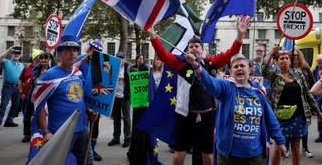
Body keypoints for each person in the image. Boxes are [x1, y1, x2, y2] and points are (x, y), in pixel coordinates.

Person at [149, 16, 250, 165]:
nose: (194, 48)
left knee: (208, 157)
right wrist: (152, 35)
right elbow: (163, 55)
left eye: (197, 46)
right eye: (191, 47)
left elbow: (230, 54)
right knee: (178, 156)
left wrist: (240, 36)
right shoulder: (181, 63)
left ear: (203, 50)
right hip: (185, 116)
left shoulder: (211, 63)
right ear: (187, 50)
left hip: (207, 117)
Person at [185, 53, 287, 164]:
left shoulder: (258, 91)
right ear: (231, 72)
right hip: (228, 156)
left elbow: (270, 119)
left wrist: (280, 141)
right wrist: (196, 65)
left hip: (255, 156)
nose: (239, 68)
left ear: (249, 69)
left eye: (242, 66)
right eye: (235, 66)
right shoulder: (226, 87)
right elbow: (210, 82)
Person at [36, 35, 96, 165]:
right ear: (60, 53)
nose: (72, 53)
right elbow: (38, 106)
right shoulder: (49, 76)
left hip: (82, 129)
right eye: (68, 50)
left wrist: (90, 110)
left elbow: (80, 97)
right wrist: (45, 132)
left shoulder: (77, 72)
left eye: (74, 50)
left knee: (87, 162)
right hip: (60, 132)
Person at [262, 49, 321, 165]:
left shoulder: (298, 74)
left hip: (298, 116)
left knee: (296, 146)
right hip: (279, 117)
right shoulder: (274, 75)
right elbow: (264, 71)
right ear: (277, 62)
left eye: (286, 58)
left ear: (290, 61)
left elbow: (307, 94)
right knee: (279, 146)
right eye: (281, 58)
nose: (284, 60)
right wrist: (270, 54)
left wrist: (317, 111)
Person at [76, 40, 104, 162]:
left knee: (94, 125)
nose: (95, 52)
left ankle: (91, 149)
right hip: (80, 97)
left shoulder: (98, 63)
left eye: (98, 51)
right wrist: (84, 59)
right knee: (83, 127)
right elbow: (72, 69)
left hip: (94, 97)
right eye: (93, 50)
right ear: (90, 49)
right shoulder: (81, 59)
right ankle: (83, 151)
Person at [291, 49, 315, 158]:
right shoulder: (287, 69)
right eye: (293, 56)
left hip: (304, 101)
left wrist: (311, 96)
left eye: (297, 56)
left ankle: (305, 148)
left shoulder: (305, 68)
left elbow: (313, 82)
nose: (295, 58)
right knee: (289, 124)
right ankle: (287, 148)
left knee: (304, 125)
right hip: (290, 101)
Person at [0, 46, 24, 131]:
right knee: (3, 105)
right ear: (12, 55)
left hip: (17, 87)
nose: (16, 55)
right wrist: (8, 50)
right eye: (15, 53)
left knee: (15, 106)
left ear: (20, 56)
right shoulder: (7, 62)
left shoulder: (21, 65)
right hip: (8, 87)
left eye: (18, 54)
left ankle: (9, 121)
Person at [18, 49, 43, 142]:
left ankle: (37, 134)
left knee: (38, 116)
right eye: (38, 57)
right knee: (27, 116)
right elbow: (20, 80)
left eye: (40, 57)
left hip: (39, 98)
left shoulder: (43, 68)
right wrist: (21, 93)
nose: (39, 59)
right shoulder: (27, 67)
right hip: (27, 97)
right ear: (34, 58)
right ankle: (27, 134)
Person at [108, 51, 131, 148]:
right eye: (118, 58)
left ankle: (127, 138)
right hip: (115, 97)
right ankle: (116, 138)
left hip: (125, 97)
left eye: (121, 58)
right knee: (116, 119)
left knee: (126, 119)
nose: (120, 60)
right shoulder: (112, 67)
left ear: (124, 59)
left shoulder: (128, 68)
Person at [311, 54, 322, 143]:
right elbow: (314, 81)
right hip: (318, 97)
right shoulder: (316, 69)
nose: (320, 65)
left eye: (321, 63)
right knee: (320, 116)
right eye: (318, 63)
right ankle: (321, 134)